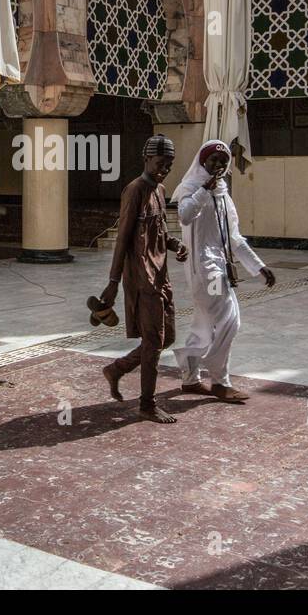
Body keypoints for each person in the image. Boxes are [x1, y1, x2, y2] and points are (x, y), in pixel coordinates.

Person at [170, 139, 275, 402]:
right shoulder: (190, 187)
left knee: (204, 325)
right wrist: (204, 190)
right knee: (229, 319)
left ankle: (190, 379)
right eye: (213, 160)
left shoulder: (223, 194)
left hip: (219, 266)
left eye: (223, 162)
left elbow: (234, 238)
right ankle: (220, 381)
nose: (218, 165)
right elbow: (184, 215)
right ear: (202, 161)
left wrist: (258, 266)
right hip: (205, 269)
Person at [95, 134, 188, 423]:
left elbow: (159, 231)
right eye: (160, 163)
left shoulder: (160, 190)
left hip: (161, 275)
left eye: (169, 165)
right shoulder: (134, 190)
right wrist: (112, 283)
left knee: (166, 336)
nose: (164, 169)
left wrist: (174, 245)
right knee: (155, 340)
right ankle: (147, 404)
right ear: (146, 159)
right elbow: (122, 239)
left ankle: (118, 369)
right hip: (141, 276)